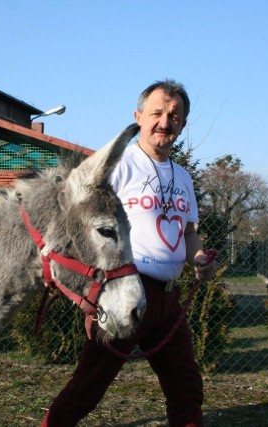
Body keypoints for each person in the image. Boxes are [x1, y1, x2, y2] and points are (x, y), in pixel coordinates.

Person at [40, 79, 218, 427]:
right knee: (88, 387)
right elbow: (75, 219)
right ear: (138, 116)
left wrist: (197, 260)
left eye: (174, 115)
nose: (165, 121)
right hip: (125, 294)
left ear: (182, 124)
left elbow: (189, 232)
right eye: (157, 113)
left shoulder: (182, 177)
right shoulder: (116, 166)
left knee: (186, 389)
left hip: (168, 301)